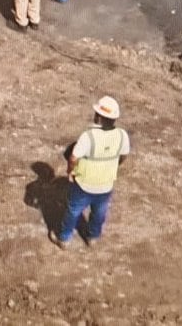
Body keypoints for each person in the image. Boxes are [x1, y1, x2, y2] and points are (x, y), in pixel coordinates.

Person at [53, 96, 130, 249]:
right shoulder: (122, 135)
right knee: (99, 213)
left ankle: (64, 238)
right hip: (106, 184)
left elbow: (73, 157)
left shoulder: (88, 137)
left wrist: (70, 171)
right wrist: (113, 166)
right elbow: (123, 155)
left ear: (99, 117)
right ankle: (92, 237)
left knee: (73, 211)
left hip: (84, 184)